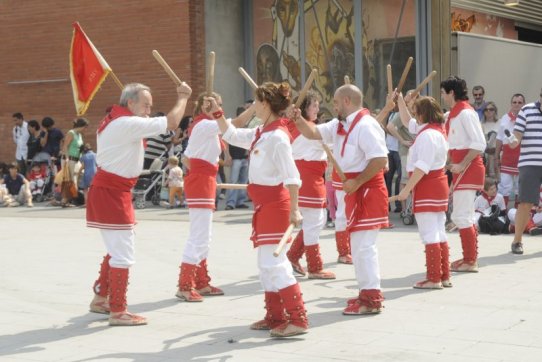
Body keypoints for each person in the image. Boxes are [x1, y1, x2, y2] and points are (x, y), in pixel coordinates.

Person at [87, 81, 192, 326]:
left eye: (150, 106)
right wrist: (183, 98)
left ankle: (101, 298)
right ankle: (118, 310)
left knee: (117, 248)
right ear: (130, 102)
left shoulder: (118, 120)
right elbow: (172, 122)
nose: (148, 110)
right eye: (145, 105)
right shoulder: (125, 123)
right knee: (123, 253)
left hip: (114, 191)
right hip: (112, 192)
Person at [210, 82, 308, 338]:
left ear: (265, 104)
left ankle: (297, 319)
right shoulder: (261, 133)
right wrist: (217, 113)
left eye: (256, 102)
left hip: (277, 206)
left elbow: (292, 176)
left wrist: (295, 211)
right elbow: (230, 135)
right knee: (265, 265)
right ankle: (275, 316)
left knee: (274, 263)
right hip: (264, 206)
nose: (253, 107)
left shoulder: (277, 137)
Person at [293, 84, 389, 315]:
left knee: (364, 247)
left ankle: (371, 299)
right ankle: (367, 293)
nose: (332, 106)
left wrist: (357, 182)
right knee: (359, 247)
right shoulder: (339, 124)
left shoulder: (366, 125)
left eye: (335, 102)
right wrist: (297, 119)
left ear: (346, 101)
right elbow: (312, 133)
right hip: (353, 189)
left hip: (367, 190)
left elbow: (379, 159)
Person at [393, 96, 451, 289]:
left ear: (423, 114)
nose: (414, 115)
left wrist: (406, 190)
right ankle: (443, 276)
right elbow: (406, 120)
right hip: (437, 184)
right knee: (439, 230)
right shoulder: (434, 130)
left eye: (416, 111)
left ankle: (434, 277)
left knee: (429, 232)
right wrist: (400, 100)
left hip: (428, 185)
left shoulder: (427, 136)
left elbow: (422, 167)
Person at [176, 92, 225, 303]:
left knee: (205, 236)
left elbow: (187, 157)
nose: (220, 108)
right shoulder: (205, 125)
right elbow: (232, 126)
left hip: (203, 182)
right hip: (201, 183)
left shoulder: (204, 126)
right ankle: (185, 286)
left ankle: (201, 281)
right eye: (217, 105)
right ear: (207, 107)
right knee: (199, 236)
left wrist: (200, 172)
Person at [285, 90, 335, 279]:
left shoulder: (288, 128)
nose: (317, 108)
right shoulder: (313, 131)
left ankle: (293, 256)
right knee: (315, 223)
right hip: (310, 183)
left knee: (314, 222)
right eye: (314, 105)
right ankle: (314, 266)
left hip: (294, 181)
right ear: (304, 108)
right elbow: (337, 143)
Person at [441, 76, 486, 272]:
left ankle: (470, 260)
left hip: (469, 167)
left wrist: (461, 165)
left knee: (461, 216)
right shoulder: (453, 114)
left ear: (451, 93)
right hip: (461, 167)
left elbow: (479, 144)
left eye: (443, 92)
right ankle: (469, 258)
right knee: (463, 215)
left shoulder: (466, 113)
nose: (441, 96)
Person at [508, 88, 542, 254]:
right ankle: (517, 241)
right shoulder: (527, 110)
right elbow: (516, 137)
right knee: (526, 203)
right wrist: (513, 141)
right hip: (530, 163)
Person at [495, 94, 525, 209]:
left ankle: (518, 216)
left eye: (519, 102)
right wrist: (497, 156)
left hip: (522, 156)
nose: (517, 104)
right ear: (511, 103)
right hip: (507, 157)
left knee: (520, 186)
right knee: (504, 186)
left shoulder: (527, 118)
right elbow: (499, 139)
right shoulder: (504, 118)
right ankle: (503, 213)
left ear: (524, 104)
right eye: (514, 102)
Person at [388, 91, 415, 215]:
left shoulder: (417, 113)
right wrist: (402, 140)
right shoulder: (401, 114)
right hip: (406, 152)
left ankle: (413, 207)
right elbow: (390, 127)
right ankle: (404, 209)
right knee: (404, 179)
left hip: (416, 152)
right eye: (411, 97)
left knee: (415, 180)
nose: (413, 100)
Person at [225, 106, 250, 210]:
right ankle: (231, 202)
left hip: (245, 157)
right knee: (233, 181)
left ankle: (240, 201)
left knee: (243, 181)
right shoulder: (233, 127)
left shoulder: (247, 127)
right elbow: (225, 140)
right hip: (235, 157)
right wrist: (228, 155)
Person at [60, 118, 88, 205]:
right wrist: (67, 159)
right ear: (81, 126)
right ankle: (70, 199)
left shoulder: (79, 135)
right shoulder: (71, 133)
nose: (85, 129)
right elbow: (65, 146)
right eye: (85, 127)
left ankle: (68, 199)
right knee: (71, 180)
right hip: (69, 159)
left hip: (77, 160)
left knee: (78, 177)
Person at [481, 102, 499, 178]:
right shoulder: (480, 124)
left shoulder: (500, 123)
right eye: (486, 109)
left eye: (491, 109)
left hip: (497, 155)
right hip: (485, 155)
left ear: (495, 111)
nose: (488, 111)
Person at [12, 112, 29, 177]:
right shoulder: (15, 129)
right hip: (19, 154)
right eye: (14, 120)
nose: (15, 122)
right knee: (21, 173)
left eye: (16, 120)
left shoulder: (28, 127)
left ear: (21, 119)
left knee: (28, 172)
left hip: (27, 153)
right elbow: (15, 140)